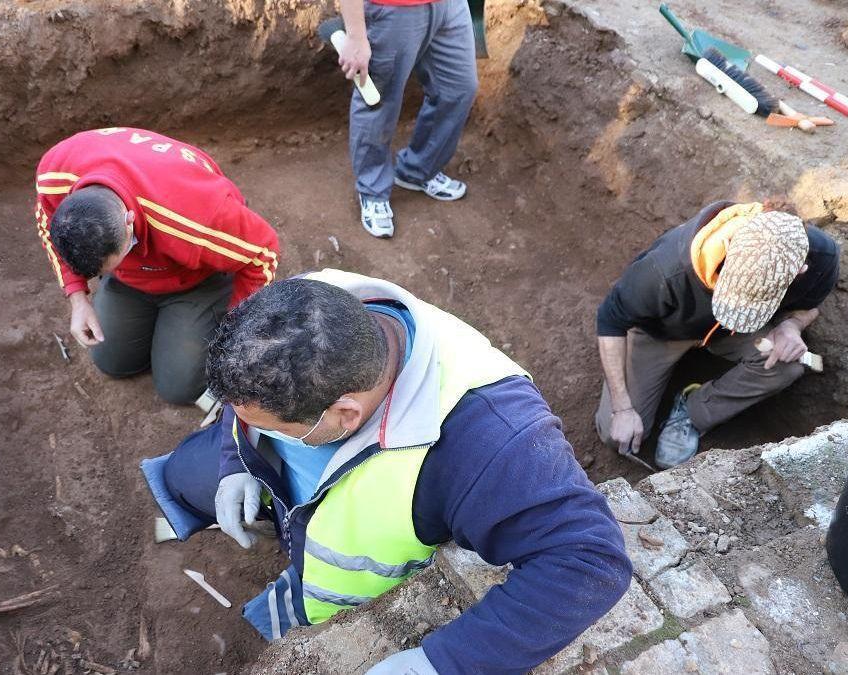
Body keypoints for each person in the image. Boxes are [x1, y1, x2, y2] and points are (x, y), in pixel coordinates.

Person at [141, 270, 631, 673]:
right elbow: (244, 392)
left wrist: (441, 664)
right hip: (277, 483)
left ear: (346, 415)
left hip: (338, 579)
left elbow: (588, 559)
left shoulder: (491, 442)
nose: (244, 425)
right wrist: (235, 462)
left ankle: (297, 580)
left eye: (268, 425)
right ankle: (252, 513)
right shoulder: (305, 309)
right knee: (188, 476)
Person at [34, 127, 280, 405]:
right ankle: (136, 294)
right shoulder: (54, 174)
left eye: (117, 258)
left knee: (178, 388)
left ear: (128, 222)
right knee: (111, 362)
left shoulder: (195, 220)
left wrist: (238, 325)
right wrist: (77, 297)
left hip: (195, 279)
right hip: (132, 279)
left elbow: (263, 251)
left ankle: (211, 296)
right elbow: (47, 221)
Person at [595, 201, 840, 469]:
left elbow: (810, 307)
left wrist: (791, 326)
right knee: (613, 432)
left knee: (787, 364)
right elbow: (610, 319)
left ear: (799, 270)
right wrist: (622, 408)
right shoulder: (665, 271)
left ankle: (693, 411)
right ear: (728, 250)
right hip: (661, 333)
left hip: (735, 332)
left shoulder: (820, 257)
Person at [335, 0, 479, 238]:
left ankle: (418, 170)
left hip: (450, 6)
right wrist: (356, 36)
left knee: (459, 88)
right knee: (379, 100)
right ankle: (372, 190)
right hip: (392, 9)